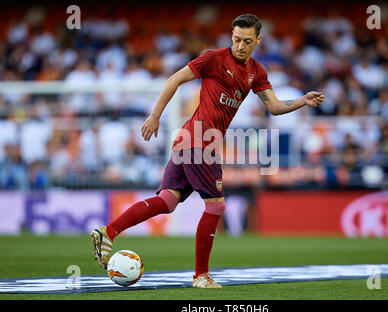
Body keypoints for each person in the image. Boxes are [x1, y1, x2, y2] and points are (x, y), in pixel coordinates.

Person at [90, 14, 324, 288]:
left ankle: (109, 231)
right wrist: (155, 116)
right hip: (200, 140)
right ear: (231, 36)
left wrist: (302, 101)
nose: (240, 45)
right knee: (216, 206)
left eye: (247, 41)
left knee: (167, 201)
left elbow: (273, 106)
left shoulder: (257, 72)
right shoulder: (213, 59)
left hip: (193, 140)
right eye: (236, 39)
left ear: (258, 40)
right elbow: (175, 79)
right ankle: (201, 275)